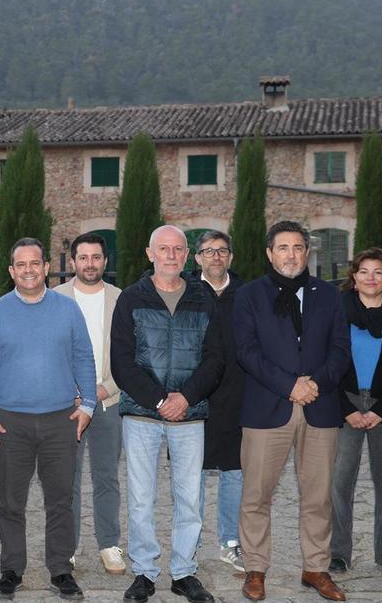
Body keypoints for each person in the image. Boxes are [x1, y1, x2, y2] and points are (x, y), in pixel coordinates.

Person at [233, 221, 350, 602]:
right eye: (283, 247)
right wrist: (290, 385)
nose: (291, 255)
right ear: (270, 253)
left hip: (320, 405)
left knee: (317, 496)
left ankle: (316, 568)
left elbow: (340, 350)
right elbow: (246, 351)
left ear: (307, 252)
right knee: (256, 495)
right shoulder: (249, 295)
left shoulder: (330, 296)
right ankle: (255, 568)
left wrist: (314, 383)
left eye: (298, 247)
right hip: (268, 407)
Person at [0, 237, 96, 601]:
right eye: (20, 265)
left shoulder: (67, 309)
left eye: (35, 263)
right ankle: (11, 570)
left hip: (61, 420)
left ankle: (61, 569)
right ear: (11, 271)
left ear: (46, 267)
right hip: (11, 423)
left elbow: (83, 358)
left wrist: (87, 405)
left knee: (60, 500)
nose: (28, 270)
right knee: (11, 502)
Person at [111, 226, 220, 603]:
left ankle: (183, 572)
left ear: (187, 255)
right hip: (142, 413)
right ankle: (144, 571)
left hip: (190, 413)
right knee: (141, 496)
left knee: (189, 496)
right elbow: (122, 363)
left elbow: (217, 357)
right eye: (163, 248)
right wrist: (159, 400)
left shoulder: (204, 298)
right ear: (149, 253)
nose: (171, 255)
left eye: (178, 249)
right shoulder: (130, 299)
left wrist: (186, 397)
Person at [329, 248, 382, 577]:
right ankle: (337, 552)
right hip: (345, 402)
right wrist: (346, 409)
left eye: (378, 272)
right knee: (337, 482)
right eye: (364, 271)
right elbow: (325, 362)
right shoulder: (337, 310)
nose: (371, 278)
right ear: (353, 275)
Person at [51, 233, 124, 575]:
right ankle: (68, 547)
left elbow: (130, 357)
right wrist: (71, 390)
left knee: (107, 477)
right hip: (69, 404)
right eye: (83, 257)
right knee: (67, 478)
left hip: (109, 401)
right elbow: (47, 353)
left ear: (105, 262)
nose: (90, 263)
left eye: (96, 257)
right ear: (73, 261)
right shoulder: (55, 299)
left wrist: (104, 389)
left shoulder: (121, 300)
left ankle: (109, 544)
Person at [188, 230, 246, 574]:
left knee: (234, 472)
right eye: (208, 252)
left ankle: (230, 542)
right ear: (197, 258)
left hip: (237, 394)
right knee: (191, 473)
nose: (215, 257)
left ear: (230, 257)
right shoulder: (186, 292)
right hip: (194, 394)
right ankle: (189, 543)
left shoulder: (248, 294)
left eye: (222, 251)